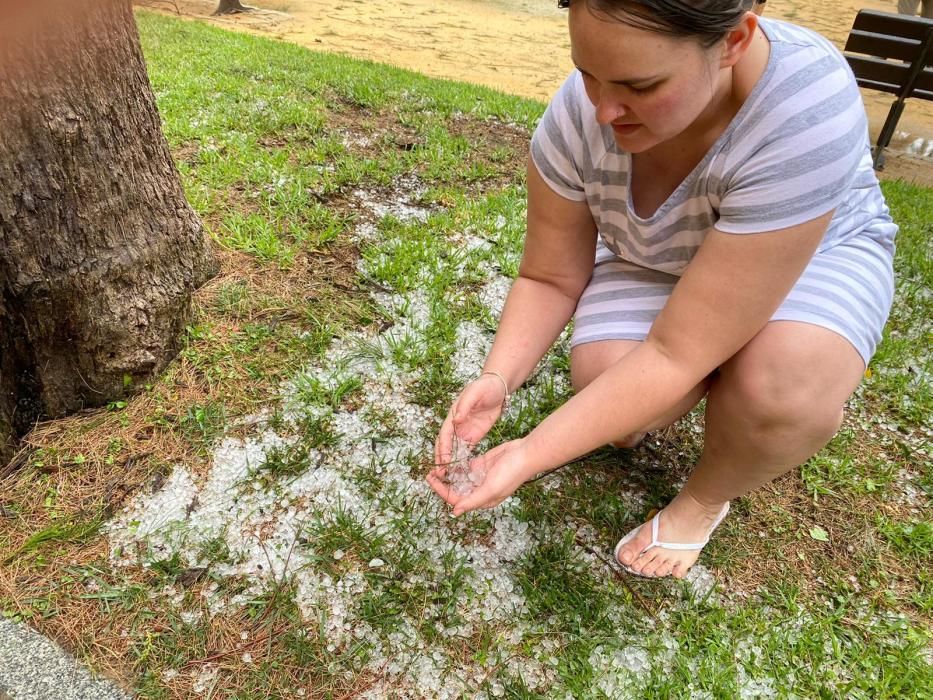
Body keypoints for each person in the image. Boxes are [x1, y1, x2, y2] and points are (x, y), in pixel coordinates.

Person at [427, 0, 896, 579]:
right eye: (587, 73)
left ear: (733, 41)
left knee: (783, 385)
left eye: (639, 85)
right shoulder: (580, 115)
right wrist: (498, 377)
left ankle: (703, 500)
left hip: (809, 255)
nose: (601, 111)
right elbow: (548, 275)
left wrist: (528, 455)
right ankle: (717, 370)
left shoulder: (805, 106)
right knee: (610, 389)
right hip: (658, 253)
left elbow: (679, 351)